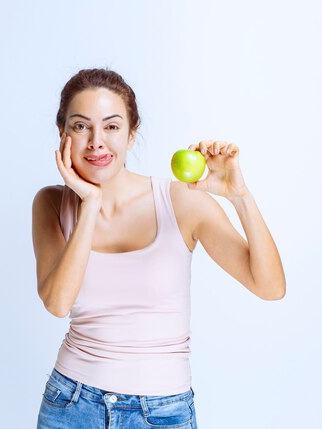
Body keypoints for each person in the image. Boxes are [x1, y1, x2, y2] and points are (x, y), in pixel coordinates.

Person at [32, 67, 286, 428]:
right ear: (63, 133)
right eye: (81, 125)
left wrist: (239, 197)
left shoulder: (181, 201)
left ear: (132, 134)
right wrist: (89, 203)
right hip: (71, 403)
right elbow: (57, 303)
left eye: (112, 126)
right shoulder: (50, 204)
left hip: (162, 412)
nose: (96, 141)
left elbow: (271, 287)